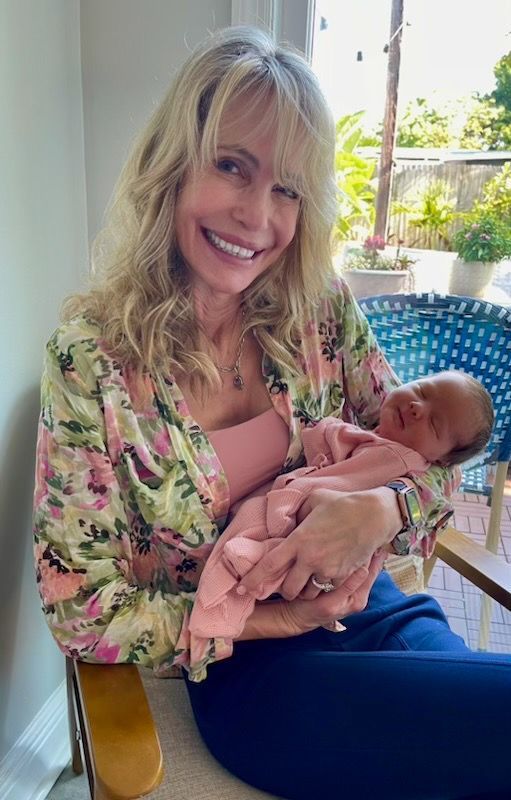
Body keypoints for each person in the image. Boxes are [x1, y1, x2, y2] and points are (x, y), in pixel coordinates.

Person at [32, 25, 511, 800]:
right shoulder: (93, 362)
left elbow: (429, 467)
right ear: (174, 167)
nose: (258, 216)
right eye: (231, 166)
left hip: (375, 612)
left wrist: (381, 513)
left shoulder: (317, 310)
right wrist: (274, 622)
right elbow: (80, 611)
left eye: (287, 188)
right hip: (247, 668)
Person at [188, 371, 494, 671]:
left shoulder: (334, 328)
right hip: (273, 624)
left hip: (364, 598)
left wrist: (391, 507)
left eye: (434, 423)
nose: (417, 407)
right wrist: (286, 618)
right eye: (423, 390)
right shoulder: (373, 435)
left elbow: (448, 481)